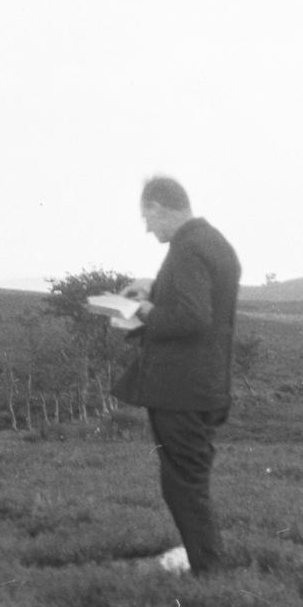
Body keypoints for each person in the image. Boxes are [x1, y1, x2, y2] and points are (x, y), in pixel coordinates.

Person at [110, 176, 241, 575]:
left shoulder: (187, 250)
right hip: (204, 387)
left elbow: (192, 317)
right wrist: (156, 287)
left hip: (182, 391)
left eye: (147, 217)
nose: (148, 228)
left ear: (160, 207)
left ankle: (211, 575)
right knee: (187, 483)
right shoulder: (213, 243)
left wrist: (141, 310)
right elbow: (206, 300)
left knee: (184, 486)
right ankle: (208, 566)